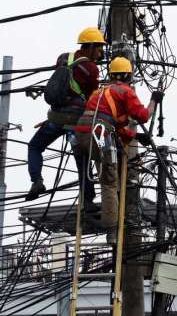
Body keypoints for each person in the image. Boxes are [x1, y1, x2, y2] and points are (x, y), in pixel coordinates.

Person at [74, 56, 163, 242]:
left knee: (102, 174)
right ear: (127, 75)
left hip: (83, 133)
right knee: (109, 184)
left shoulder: (99, 93)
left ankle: (88, 210)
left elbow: (112, 125)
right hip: (100, 134)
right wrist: (154, 101)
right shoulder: (125, 91)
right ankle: (112, 230)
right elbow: (143, 116)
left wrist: (136, 137)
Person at [26, 27, 105, 209]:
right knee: (82, 157)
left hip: (56, 118)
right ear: (90, 46)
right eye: (99, 48)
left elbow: (61, 86)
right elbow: (91, 96)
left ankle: (36, 180)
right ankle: (87, 200)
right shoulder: (92, 68)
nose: (100, 53)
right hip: (75, 121)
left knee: (35, 146)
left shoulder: (63, 58)